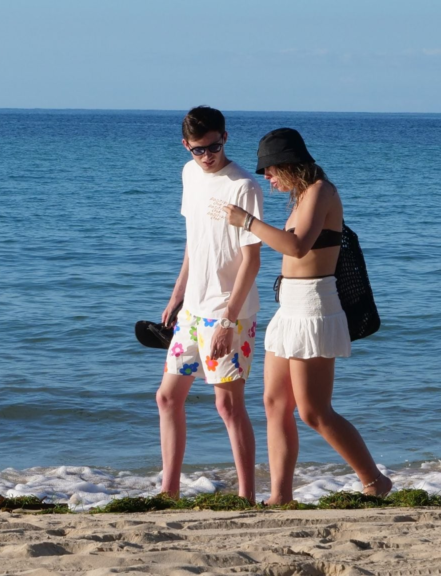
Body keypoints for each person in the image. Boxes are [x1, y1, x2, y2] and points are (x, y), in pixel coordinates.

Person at [223, 128, 392, 504]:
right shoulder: (301, 196)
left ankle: (374, 480)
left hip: (315, 306)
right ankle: (281, 495)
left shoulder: (320, 192)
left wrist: (247, 222)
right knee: (275, 403)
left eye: (269, 171)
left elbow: (297, 247)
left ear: (288, 165)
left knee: (314, 412)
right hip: (291, 308)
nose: (267, 178)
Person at [157, 106, 263, 502]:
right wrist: (176, 295)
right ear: (186, 146)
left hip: (230, 312)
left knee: (228, 404)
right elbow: (194, 241)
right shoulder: (189, 175)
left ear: (225, 137)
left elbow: (252, 260)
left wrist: (227, 321)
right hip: (192, 310)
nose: (207, 156)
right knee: (167, 397)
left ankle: (247, 496)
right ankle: (169, 492)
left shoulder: (243, 186)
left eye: (214, 147)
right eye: (198, 150)